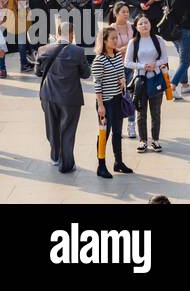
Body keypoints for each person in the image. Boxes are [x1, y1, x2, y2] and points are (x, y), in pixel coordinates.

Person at [35, 15, 91, 174]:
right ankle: (66, 163)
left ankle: (54, 157)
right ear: (72, 34)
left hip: (49, 95)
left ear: (57, 33)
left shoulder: (43, 49)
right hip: (70, 97)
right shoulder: (78, 51)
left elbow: (38, 72)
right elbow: (86, 74)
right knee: (67, 130)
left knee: (52, 127)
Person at [89, 24, 133, 179]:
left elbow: (121, 74)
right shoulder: (99, 60)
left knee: (118, 133)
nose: (116, 41)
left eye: (117, 38)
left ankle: (118, 162)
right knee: (104, 134)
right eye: (113, 38)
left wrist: (122, 80)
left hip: (117, 100)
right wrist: (100, 106)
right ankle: (101, 165)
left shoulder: (116, 56)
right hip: (105, 103)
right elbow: (97, 84)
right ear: (105, 41)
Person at [124, 14, 169, 153]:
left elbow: (165, 58)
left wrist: (155, 64)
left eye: (146, 22)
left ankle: (155, 140)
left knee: (156, 112)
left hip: (156, 79)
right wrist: (143, 66)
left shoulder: (158, 39)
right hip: (140, 81)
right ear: (136, 27)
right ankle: (143, 140)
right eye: (141, 23)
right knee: (140, 112)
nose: (144, 25)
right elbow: (127, 62)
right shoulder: (134, 42)